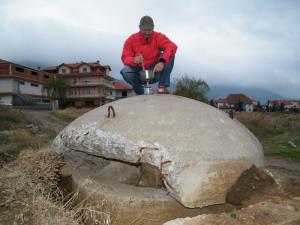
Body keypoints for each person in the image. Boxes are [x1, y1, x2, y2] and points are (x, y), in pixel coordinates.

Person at [120, 15, 177, 94]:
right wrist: (134, 60)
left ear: (153, 28)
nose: (147, 33)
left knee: (171, 55)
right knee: (125, 71)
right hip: (139, 72)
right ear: (139, 28)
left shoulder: (158, 37)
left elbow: (171, 46)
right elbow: (125, 57)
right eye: (144, 30)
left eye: (149, 30)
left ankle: (162, 88)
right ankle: (140, 92)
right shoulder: (131, 40)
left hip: (155, 71)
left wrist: (162, 61)